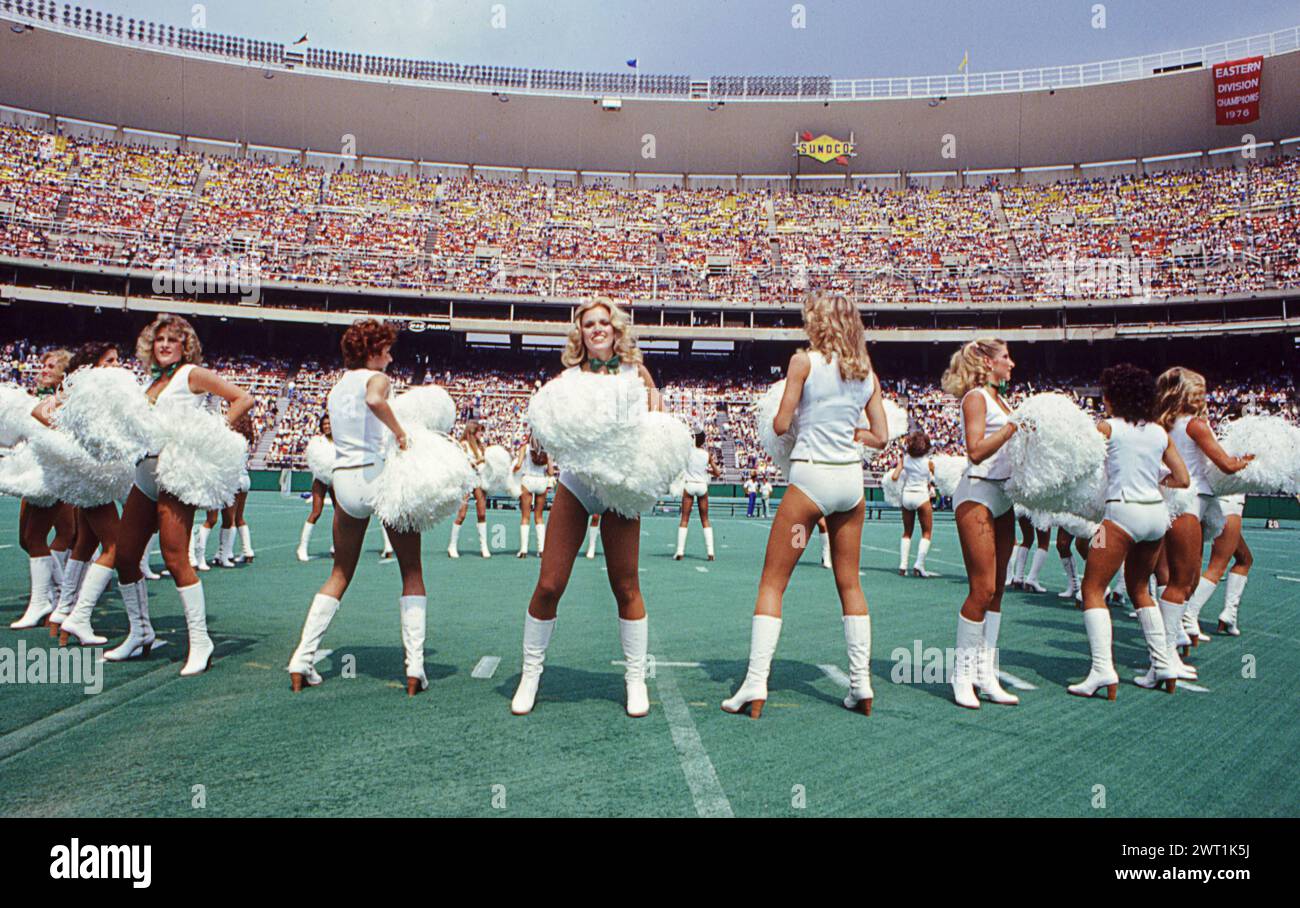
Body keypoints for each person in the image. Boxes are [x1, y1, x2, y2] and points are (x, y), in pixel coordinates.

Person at [722, 293, 889, 719]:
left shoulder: (803, 363)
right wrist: (850, 434)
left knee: (773, 584)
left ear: (818, 324)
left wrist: (802, 421)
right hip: (849, 487)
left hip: (810, 484)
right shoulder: (866, 372)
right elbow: (881, 437)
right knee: (850, 584)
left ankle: (755, 683)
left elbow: (780, 424)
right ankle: (861, 684)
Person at [509, 297, 662, 718]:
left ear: (616, 329)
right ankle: (530, 675)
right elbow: (545, 431)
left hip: (620, 487)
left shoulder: (636, 373)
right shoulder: (567, 379)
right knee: (549, 584)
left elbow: (657, 424)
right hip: (577, 483)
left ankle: (635, 680)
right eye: (588, 324)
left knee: (626, 586)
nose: (596, 329)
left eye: (603, 322)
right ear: (580, 333)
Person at [286, 319, 430, 696]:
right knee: (412, 571)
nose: (391, 358)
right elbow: (375, 400)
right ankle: (415, 667)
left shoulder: (336, 387)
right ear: (372, 352)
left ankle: (302, 658)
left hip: (344, 481)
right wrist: (401, 433)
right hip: (378, 474)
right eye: (387, 351)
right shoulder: (376, 378)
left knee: (339, 573)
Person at [109, 314, 254, 676]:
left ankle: (201, 642)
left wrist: (209, 437)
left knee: (175, 558)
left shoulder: (191, 374)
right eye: (159, 339)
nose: (164, 345)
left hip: (176, 473)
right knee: (125, 555)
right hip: (144, 472)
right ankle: (140, 632)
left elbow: (242, 398)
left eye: (172, 340)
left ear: (185, 345)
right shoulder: (150, 381)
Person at [1066, 364, 1190, 699]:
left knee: (1092, 588)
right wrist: (1153, 480)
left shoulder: (1107, 427)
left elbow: (1082, 466)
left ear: (1114, 397)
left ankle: (1102, 670)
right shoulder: (1159, 432)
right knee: (1140, 589)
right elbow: (1182, 479)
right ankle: (1163, 664)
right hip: (1155, 516)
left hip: (1119, 514)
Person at [941, 338, 1023, 710]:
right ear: (988, 363)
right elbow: (975, 451)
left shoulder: (1003, 401)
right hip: (977, 493)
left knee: (998, 590)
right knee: (982, 588)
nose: (1012, 363)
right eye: (1006, 357)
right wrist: (1012, 429)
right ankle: (961, 676)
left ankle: (985, 673)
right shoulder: (975, 398)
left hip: (1003, 497)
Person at [1154, 367, 1253, 671]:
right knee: (1184, 580)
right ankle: (1166, 652)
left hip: (1171, 499)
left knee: (1174, 576)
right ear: (1188, 394)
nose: (1205, 397)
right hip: (1190, 500)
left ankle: (1172, 643)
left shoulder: (1162, 423)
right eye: (1201, 391)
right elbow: (1226, 465)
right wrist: (1253, 459)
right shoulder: (1196, 425)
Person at [10, 348, 76, 630]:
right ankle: (61, 595)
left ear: (64, 374)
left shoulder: (66, 399)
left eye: (51, 367)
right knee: (27, 539)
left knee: (37, 536)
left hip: (52, 473)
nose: (44, 370)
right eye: (44, 365)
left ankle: (43, 602)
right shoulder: (44, 397)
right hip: (34, 472)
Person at [890, 430, 936, 578]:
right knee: (926, 532)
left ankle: (903, 566)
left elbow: (894, 477)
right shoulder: (929, 463)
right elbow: (933, 480)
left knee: (907, 532)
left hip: (907, 496)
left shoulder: (905, 459)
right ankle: (919, 564)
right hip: (921, 496)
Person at [674, 431, 721, 561]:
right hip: (702, 486)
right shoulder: (707, 455)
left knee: (684, 519)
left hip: (689, 484)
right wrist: (708, 470)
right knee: (705, 519)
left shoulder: (688, 453)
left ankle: (680, 551)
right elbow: (718, 473)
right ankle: (711, 552)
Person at [448, 420, 491, 559]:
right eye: (479, 431)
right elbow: (462, 464)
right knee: (462, 514)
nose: (481, 434)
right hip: (466, 480)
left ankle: (484, 546)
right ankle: (452, 545)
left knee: (482, 512)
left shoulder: (480, 446)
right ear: (472, 431)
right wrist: (479, 461)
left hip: (478, 479)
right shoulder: (464, 445)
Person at [296, 414, 335, 562]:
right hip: (320, 480)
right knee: (316, 512)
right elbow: (313, 461)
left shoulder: (339, 441)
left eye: (329, 424)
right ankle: (302, 547)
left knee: (340, 514)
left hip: (336, 480)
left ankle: (336, 546)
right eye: (324, 424)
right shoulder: (317, 441)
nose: (327, 426)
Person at [514, 433, 552, 558]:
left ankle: (523, 550)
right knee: (539, 516)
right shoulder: (547, 450)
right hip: (542, 481)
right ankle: (541, 550)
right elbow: (551, 472)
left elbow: (518, 465)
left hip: (528, 480)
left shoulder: (524, 447)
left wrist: (512, 471)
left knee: (525, 516)